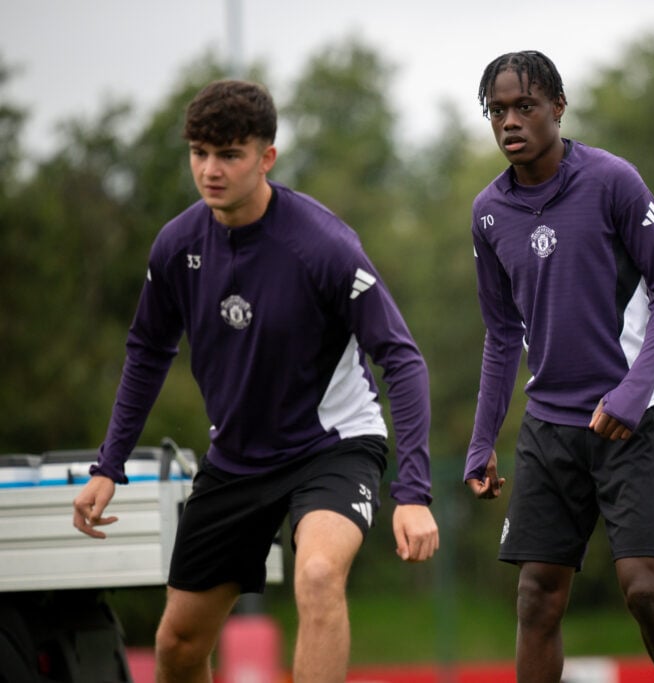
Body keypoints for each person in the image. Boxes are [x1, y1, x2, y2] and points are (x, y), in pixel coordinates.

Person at [72, 79, 439, 681]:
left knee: (319, 577)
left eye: (229, 154)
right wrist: (108, 466)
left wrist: (415, 492)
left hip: (333, 446)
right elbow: (146, 351)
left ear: (266, 157)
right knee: (179, 644)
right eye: (199, 153)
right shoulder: (176, 246)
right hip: (237, 457)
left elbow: (401, 358)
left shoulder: (324, 245)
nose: (210, 170)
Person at [463, 51, 654, 682]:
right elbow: (500, 333)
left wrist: (631, 392)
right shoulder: (488, 213)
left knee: (645, 590)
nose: (510, 121)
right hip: (549, 428)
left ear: (558, 109)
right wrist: (483, 439)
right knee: (537, 595)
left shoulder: (613, 181)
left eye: (525, 107)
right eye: (497, 110)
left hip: (636, 417)